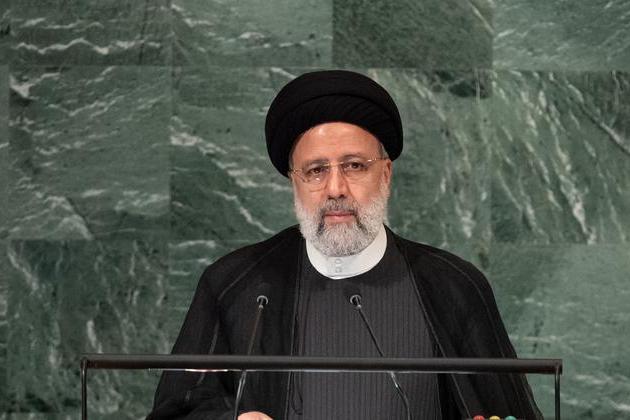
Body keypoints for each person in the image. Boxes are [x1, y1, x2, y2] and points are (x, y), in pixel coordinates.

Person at [147, 70, 542, 420]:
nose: (335, 189)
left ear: (385, 174)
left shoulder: (454, 286)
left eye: (354, 166)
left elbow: (507, 411)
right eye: (316, 170)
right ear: (295, 182)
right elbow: (176, 411)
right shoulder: (235, 284)